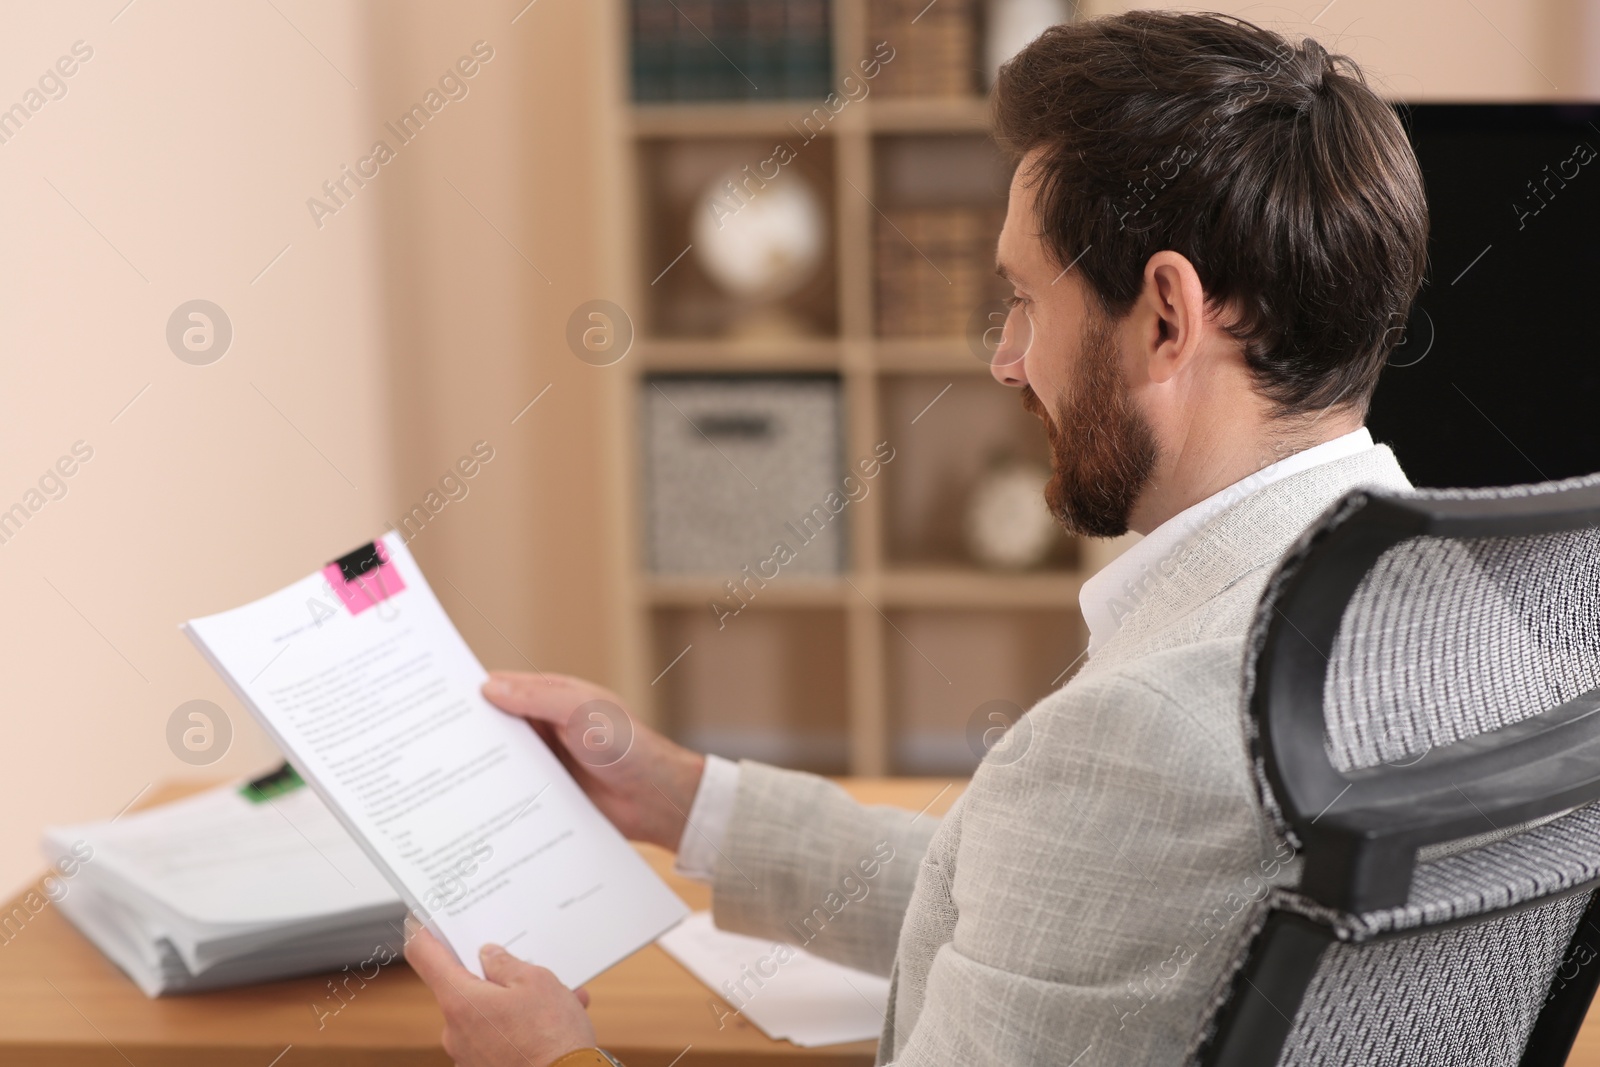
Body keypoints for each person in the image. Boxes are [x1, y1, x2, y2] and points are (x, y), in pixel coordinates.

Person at [403, 10, 1427, 1065]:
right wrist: (677, 795)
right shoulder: (1470, 611)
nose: (1009, 361)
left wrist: (547, 1056)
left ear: (1166, 316)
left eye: (1026, 299)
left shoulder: (1151, 726)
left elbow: (1075, 873)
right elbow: (1049, 904)